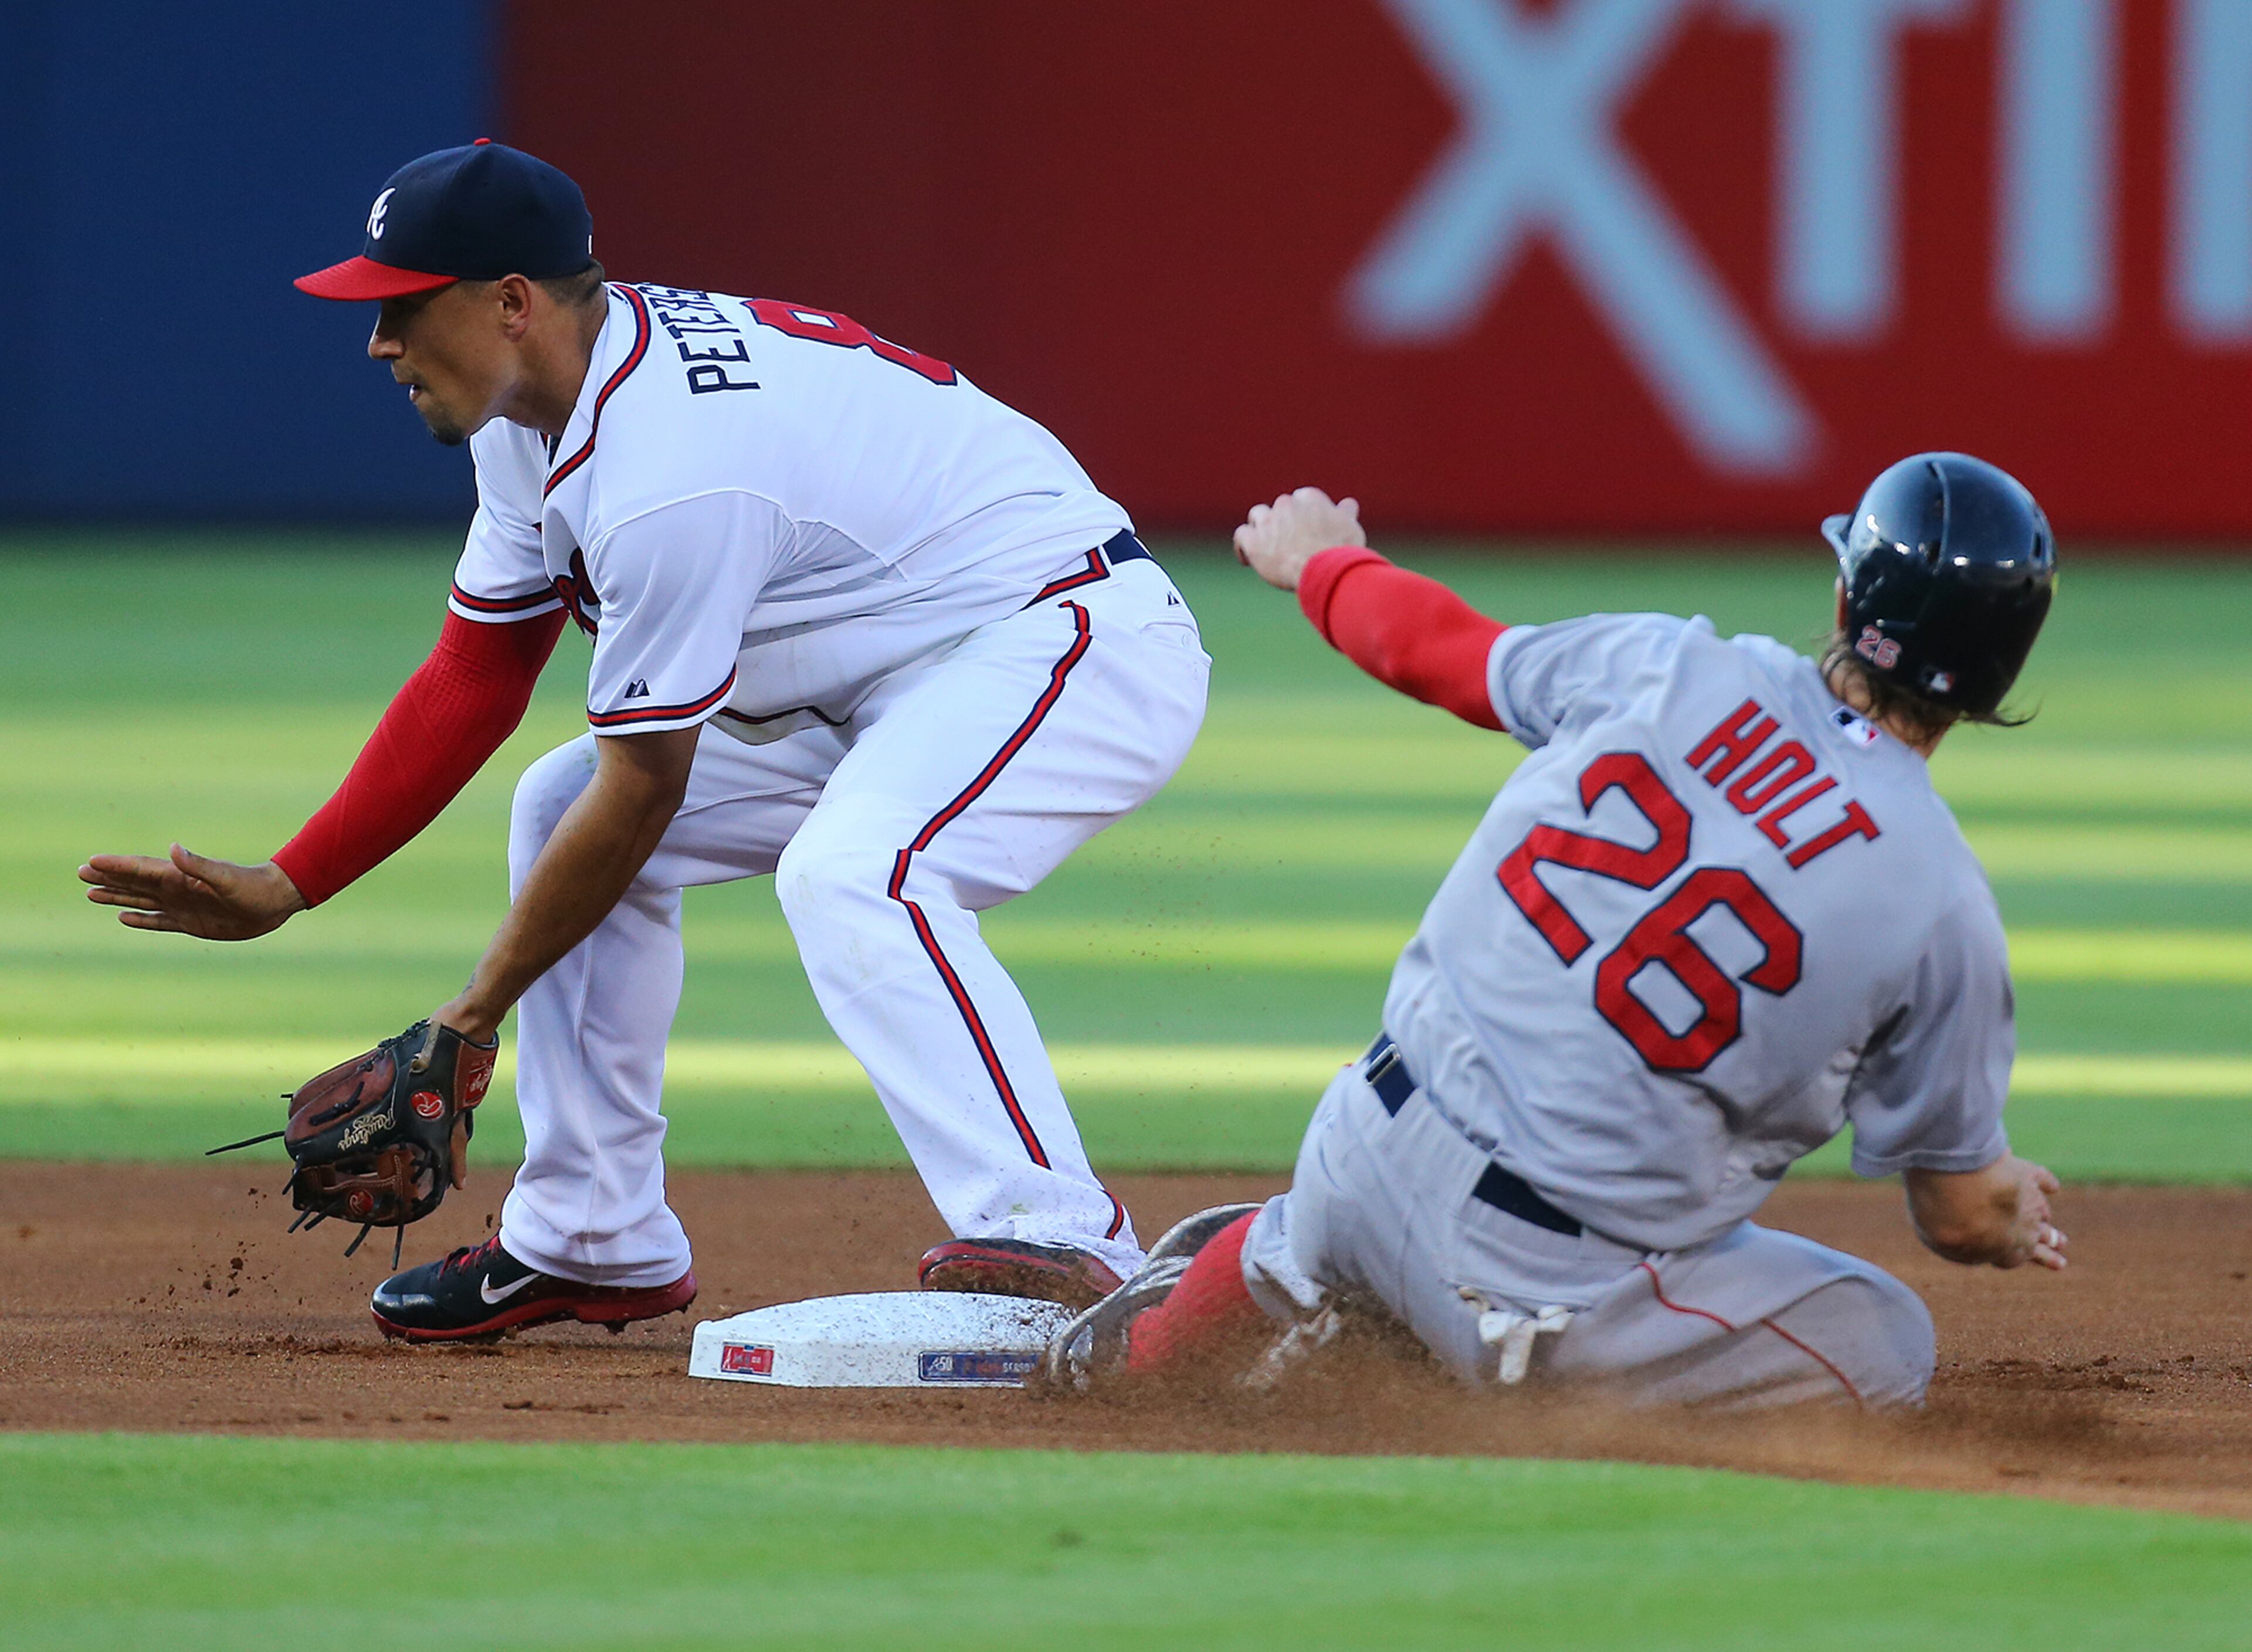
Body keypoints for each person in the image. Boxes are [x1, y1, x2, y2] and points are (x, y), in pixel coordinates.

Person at [80, 141, 1209, 1341]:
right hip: (881, 675)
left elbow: (647, 787)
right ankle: (591, 1235)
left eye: (403, 308)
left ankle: (1061, 1233)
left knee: (859, 872)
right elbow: (478, 672)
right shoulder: (537, 410)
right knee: (554, 804)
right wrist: (292, 882)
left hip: (1065, 638)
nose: (378, 342)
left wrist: (468, 1020)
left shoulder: (671, 474)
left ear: (512, 302)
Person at [1047, 460, 2064, 1409]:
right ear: (1997, 676)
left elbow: (1435, 649)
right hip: (1532, 1286)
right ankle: (1415, 1327)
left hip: (1360, 1140)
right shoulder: (1941, 899)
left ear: (1848, 597)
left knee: (1336, 1215)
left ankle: (1264, 1272)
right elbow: (1960, 1215)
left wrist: (1321, 561)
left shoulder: (1672, 664)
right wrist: (2009, 1208)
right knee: (1887, 1341)